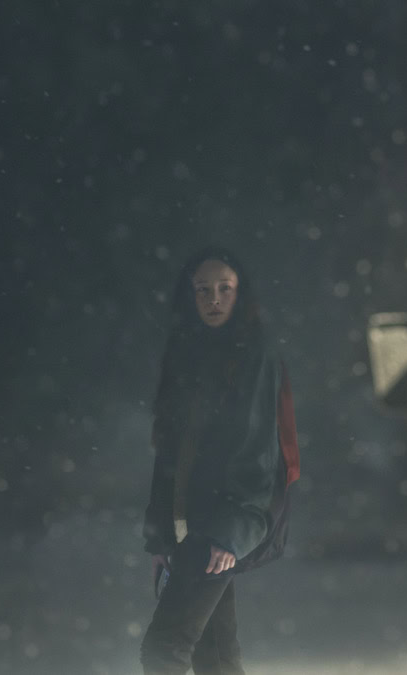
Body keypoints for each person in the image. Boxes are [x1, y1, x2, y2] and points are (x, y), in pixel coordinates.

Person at [140, 246, 283, 675]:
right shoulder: (184, 354)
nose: (214, 299)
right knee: (216, 659)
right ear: (190, 296)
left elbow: (257, 450)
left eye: (225, 288)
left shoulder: (254, 356)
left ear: (241, 295)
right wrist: (162, 535)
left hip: (217, 527)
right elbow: (169, 453)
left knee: (164, 649)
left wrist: (230, 530)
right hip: (187, 529)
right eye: (203, 290)